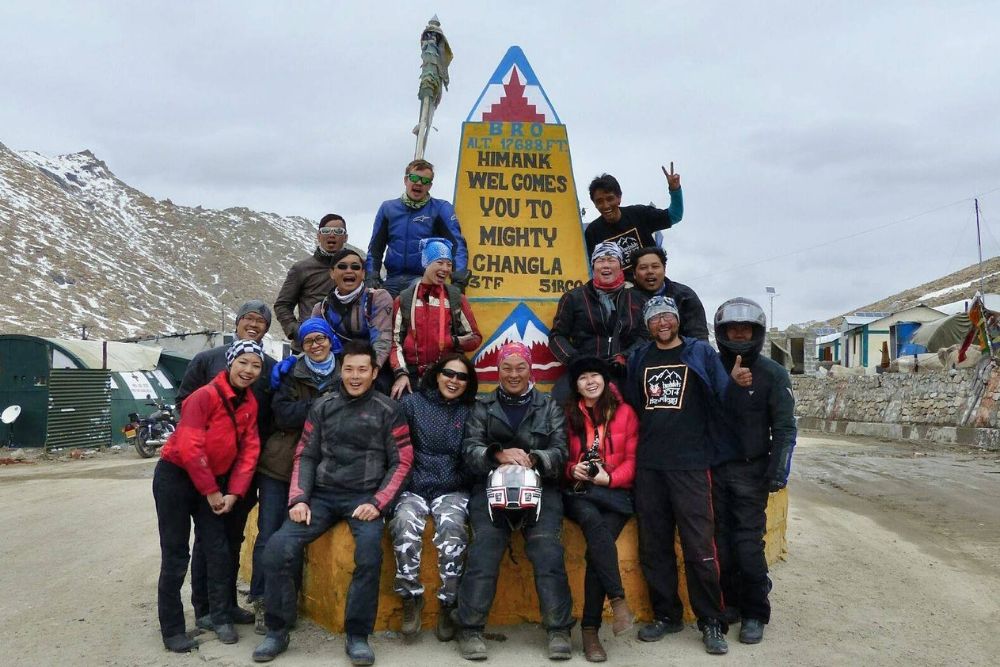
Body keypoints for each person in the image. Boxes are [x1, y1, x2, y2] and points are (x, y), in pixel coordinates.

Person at [252, 341, 413, 665]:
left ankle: (357, 636)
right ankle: (277, 630)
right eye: (349, 369)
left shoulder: (388, 409)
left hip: (364, 498)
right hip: (322, 497)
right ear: (342, 370)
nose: (354, 376)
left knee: (368, 554)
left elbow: (403, 461)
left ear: (374, 372)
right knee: (278, 547)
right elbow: (306, 454)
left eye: (362, 370)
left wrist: (379, 502)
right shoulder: (322, 406)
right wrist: (299, 498)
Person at [624, 296, 748, 656]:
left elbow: (722, 395)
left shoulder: (700, 353)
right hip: (649, 464)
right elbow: (634, 403)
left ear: (677, 320)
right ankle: (667, 615)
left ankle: (711, 619)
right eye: (655, 318)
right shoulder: (640, 358)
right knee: (654, 545)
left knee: (699, 547)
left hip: (692, 464)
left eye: (668, 316)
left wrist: (736, 383)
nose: (662, 322)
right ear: (647, 325)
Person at [453, 343, 574, 662]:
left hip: (541, 491)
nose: (513, 374)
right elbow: (468, 451)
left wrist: (534, 459)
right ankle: (470, 628)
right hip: (490, 491)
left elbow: (562, 453)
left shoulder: (549, 406)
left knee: (547, 549)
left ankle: (559, 629)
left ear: (530, 368)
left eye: (520, 367)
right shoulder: (482, 406)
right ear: (498, 370)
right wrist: (497, 455)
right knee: (484, 549)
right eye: (507, 367)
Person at [153, 339, 264, 652]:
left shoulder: (249, 403)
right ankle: (173, 629)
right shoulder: (203, 396)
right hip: (176, 478)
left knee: (218, 549)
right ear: (230, 363)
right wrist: (212, 491)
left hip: (213, 483)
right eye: (243, 362)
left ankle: (217, 615)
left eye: (256, 365)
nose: (249, 370)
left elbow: (250, 450)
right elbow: (190, 446)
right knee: (175, 554)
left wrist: (234, 491)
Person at [176, 300, 277, 630]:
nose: (253, 324)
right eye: (247, 318)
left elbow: (269, 413)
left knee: (233, 537)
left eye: (260, 321)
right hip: (208, 466)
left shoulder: (272, 366)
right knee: (208, 539)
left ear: (267, 328)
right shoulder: (206, 360)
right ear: (236, 323)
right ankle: (203, 606)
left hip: (245, 468)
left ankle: (228, 604)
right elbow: (185, 404)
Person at [712, 298, 796, 645]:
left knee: (748, 545)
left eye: (746, 330)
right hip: (714, 469)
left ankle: (755, 612)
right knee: (721, 544)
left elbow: (785, 427)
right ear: (721, 332)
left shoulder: (773, 374)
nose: (739, 335)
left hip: (752, 471)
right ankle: (730, 603)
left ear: (757, 333)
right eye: (733, 329)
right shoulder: (710, 368)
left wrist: (778, 468)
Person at [249, 318, 341, 633]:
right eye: (308, 341)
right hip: (280, 464)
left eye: (321, 339)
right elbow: (283, 414)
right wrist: (325, 405)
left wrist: (311, 408)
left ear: (330, 340)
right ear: (300, 345)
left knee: (297, 534)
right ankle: (263, 600)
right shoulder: (289, 372)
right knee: (270, 531)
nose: (315, 345)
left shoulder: (348, 371)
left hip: (322, 468)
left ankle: (291, 600)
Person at [390, 353, 478, 641]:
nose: (454, 381)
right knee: (403, 522)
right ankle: (410, 598)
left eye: (462, 377)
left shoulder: (472, 411)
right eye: (449, 374)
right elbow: (397, 448)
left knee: (453, 529)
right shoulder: (412, 404)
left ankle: (448, 603)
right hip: (415, 484)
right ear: (437, 374)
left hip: (452, 486)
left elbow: (473, 454)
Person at [561, 356, 638, 663]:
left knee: (598, 546)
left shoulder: (626, 413)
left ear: (606, 380)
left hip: (616, 494)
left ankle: (590, 630)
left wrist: (611, 477)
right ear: (576, 385)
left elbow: (634, 460)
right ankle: (616, 601)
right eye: (583, 378)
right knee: (594, 524)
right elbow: (558, 455)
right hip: (580, 493)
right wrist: (571, 469)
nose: (590, 381)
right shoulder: (567, 414)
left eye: (595, 375)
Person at [548, 242, 649, 402]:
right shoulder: (574, 297)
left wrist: (626, 357)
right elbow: (557, 336)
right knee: (559, 401)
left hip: (624, 372)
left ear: (621, 266)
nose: (605, 265)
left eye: (611, 260)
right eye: (600, 260)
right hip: (583, 371)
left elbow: (646, 337)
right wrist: (575, 359)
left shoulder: (638, 299)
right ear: (593, 265)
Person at [389, 237, 481, 400]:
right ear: (426, 263)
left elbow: (475, 337)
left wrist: (451, 341)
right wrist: (401, 374)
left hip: (445, 378)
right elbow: (395, 342)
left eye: (449, 264)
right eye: (439, 262)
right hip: (412, 378)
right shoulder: (404, 299)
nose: (445, 269)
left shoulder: (456, 299)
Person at [366, 159, 470, 297]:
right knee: (376, 305)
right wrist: (371, 275)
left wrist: (459, 280)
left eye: (425, 181)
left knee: (411, 304)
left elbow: (457, 245)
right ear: (405, 180)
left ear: (430, 186)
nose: (419, 183)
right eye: (414, 178)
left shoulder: (441, 208)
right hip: (392, 278)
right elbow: (375, 248)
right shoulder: (387, 208)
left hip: (424, 278)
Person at [310, 247, 394, 393]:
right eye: (342, 266)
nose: (349, 270)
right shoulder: (322, 309)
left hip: (373, 370)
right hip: (337, 370)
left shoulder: (378, 298)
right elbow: (314, 343)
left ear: (363, 273)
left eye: (355, 267)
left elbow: (382, 341)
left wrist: (366, 373)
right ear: (332, 273)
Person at [584, 166, 683, 279]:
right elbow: (592, 269)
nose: (606, 205)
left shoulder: (639, 214)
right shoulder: (592, 232)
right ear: (594, 204)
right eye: (599, 201)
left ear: (619, 198)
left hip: (652, 282)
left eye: (610, 199)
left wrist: (675, 190)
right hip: (619, 291)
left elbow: (675, 215)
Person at [274, 214, 349, 350]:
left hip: (346, 348)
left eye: (338, 232)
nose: (332, 235)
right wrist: (297, 331)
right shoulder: (301, 269)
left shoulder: (356, 269)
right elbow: (282, 305)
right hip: (307, 346)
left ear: (345, 237)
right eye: (326, 231)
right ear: (318, 236)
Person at [631, 246, 709, 341]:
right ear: (634, 274)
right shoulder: (627, 299)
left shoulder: (685, 296)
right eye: (643, 268)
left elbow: (698, 335)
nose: (650, 271)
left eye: (655, 266)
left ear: (664, 269)